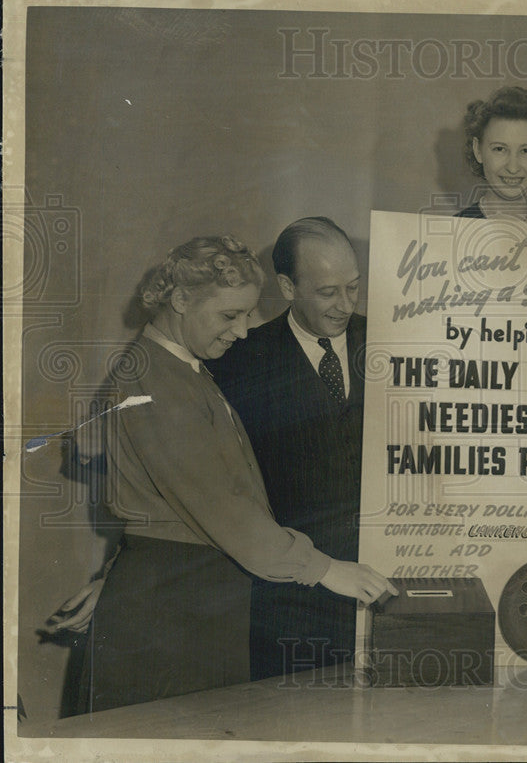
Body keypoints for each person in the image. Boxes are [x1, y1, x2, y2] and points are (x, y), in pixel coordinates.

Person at [74, 235, 395, 712]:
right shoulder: (156, 379)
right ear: (180, 300)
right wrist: (326, 569)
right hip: (172, 609)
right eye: (230, 316)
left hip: (194, 598)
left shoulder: (184, 369)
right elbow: (221, 506)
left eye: (247, 316)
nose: (243, 332)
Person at [206, 217, 369, 680]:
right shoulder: (239, 360)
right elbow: (207, 482)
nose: (345, 305)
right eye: (328, 292)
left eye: (354, 288)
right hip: (286, 602)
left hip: (381, 582)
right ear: (287, 286)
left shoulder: (394, 347)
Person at [455, 85, 527, 223]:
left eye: (526, 151)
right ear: (478, 150)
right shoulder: (451, 233)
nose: (513, 168)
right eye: (499, 149)